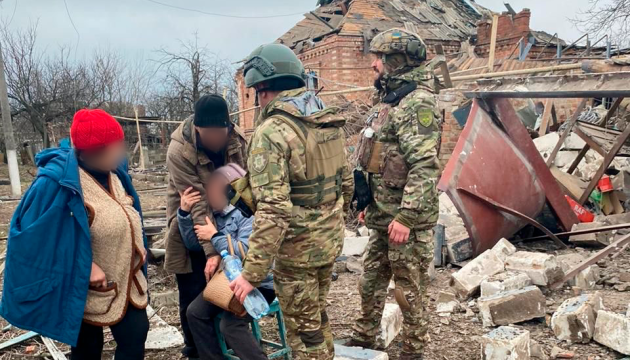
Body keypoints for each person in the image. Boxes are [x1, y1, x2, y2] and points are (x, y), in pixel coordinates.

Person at [229, 43, 354, 360]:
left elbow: (273, 210)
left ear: (263, 89)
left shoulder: (272, 130)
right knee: (316, 318)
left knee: (303, 335)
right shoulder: (325, 118)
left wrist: (250, 274)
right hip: (328, 243)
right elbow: (347, 185)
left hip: (296, 253)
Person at [1, 109, 149, 360]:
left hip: (126, 281)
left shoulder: (116, 174)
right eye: (117, 145)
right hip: (81, 289)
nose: (122, 151)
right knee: (87, 349)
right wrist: (85, 266)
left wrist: (137, 243)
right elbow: (33, 241)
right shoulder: (56, 182)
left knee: (136, 334)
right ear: (96, 150)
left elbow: (127, 213)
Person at [348, 28, 440, 360]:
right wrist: (366, 203)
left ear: (397, 61)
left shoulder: (418, 102)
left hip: (405, 222)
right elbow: (378, 156)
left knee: (408, 292)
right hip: (381, 216)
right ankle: (364, 338)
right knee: (370, 282)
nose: (374, 65)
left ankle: (413, 350)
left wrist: (406, 216)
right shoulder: (391, 99)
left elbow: (424, 167)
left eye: (380, 58)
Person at [165, 94, 248, 358]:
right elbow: (197, 201)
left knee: (227, 283)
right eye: (209, 134)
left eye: (220, 133)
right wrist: (213, 251)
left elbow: (244, 183)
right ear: (197, 129)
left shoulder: (236, 140)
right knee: (192, 288)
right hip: (192, 214)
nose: (216, 139)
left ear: (228, 127)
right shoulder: (179, 150)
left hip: (228, 215)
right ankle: (195, 350)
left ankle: (229, 341)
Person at [176, 163, 274, 360]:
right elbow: (194, 244)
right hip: (227, 284)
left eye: (217, 189)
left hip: (258, 282)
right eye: (209, 190)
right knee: (195, 312)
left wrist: (215, 235)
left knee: (230, 325)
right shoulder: (212, 215)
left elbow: (245, 253)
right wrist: (185, 214)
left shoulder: (247, 213)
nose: (211, 195)